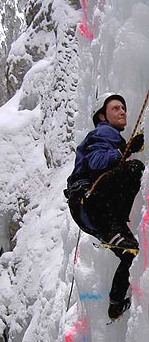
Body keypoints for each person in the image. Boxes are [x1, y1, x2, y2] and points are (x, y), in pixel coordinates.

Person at [64, 93, 144, 321]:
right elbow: (97, 161)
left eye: (123, 108)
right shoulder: (102, 132)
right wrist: (125, 151)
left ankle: (116, 303)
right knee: (134, 168)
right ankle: (113, 227)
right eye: (116, 108)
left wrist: (124, 150)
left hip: (93, 213)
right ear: (102, 116)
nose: (122, 112)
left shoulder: (110, 137)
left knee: (132, 253)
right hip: (90, 201)